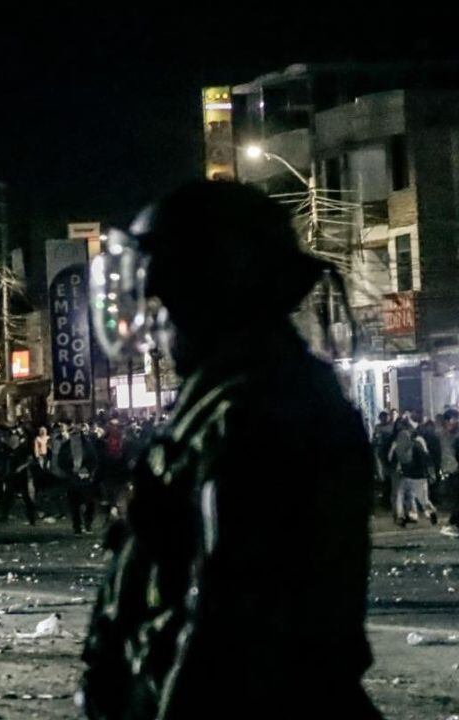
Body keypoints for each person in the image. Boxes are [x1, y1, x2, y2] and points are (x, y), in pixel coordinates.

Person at [80, 181, 379, 718]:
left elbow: (227, 624)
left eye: (166, 301)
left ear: (207, 291)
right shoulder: (220, 400)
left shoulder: (261, 412)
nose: (158, 324)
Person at [389, 424, 437, 526]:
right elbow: (426, 460)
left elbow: (425, 459)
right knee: (404, 496)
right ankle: (402, 517)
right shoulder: (409, 446)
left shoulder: (409, 447)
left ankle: (429, 513)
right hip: (413, 477)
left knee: (415, 498)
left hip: (414, 477)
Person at [56, 425, 98, 535]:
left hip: (85, 478)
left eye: (77, 434)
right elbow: (60, 461)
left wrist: (87, 469)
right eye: (73, 434)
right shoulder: (65, 446)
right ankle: (77, 527)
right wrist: (70, 469)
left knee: (89, 502)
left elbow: (94, 460)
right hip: (72, 479)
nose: (75, 436)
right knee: (74, 504)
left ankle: (88, 524)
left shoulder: (87, 446)